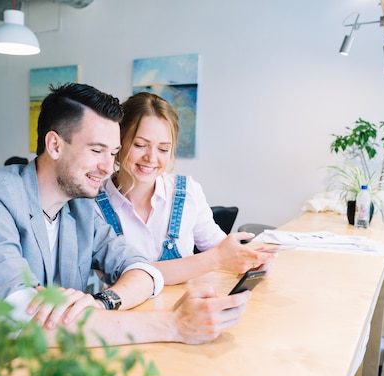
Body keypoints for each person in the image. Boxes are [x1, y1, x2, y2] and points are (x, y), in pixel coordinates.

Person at [0, 83, 251, 354]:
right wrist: (175, 325)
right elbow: (21, 317)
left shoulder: (81, 208)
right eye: (96, 151)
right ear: (55, 145)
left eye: (113, 153)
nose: (108, 167)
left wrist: (102, 302)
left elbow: (144, 270)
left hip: (42, 368)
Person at [96, 92, 274, 285]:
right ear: (118, 142)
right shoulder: (93, 205)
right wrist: (214, 259)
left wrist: (249, 260)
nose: (151, 158)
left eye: (163, 149)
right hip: (128, 313)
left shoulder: (187, 191)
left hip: (188, 308)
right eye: (140, 145)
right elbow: (122, 274)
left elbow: (217, 246)